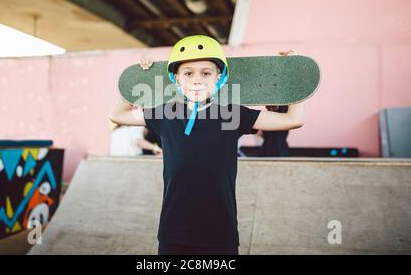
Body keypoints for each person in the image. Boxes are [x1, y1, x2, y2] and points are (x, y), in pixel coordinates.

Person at [109, 35, 304, 255]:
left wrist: (295, 74)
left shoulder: (232, 114)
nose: (197, 79)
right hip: (174, 233)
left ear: (219, 78)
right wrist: (136, 78)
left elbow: (292, 120)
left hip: (220, 234)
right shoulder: (165, 113)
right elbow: (117, 115)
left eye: (206, 73)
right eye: (188, 73)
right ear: (177, 79)